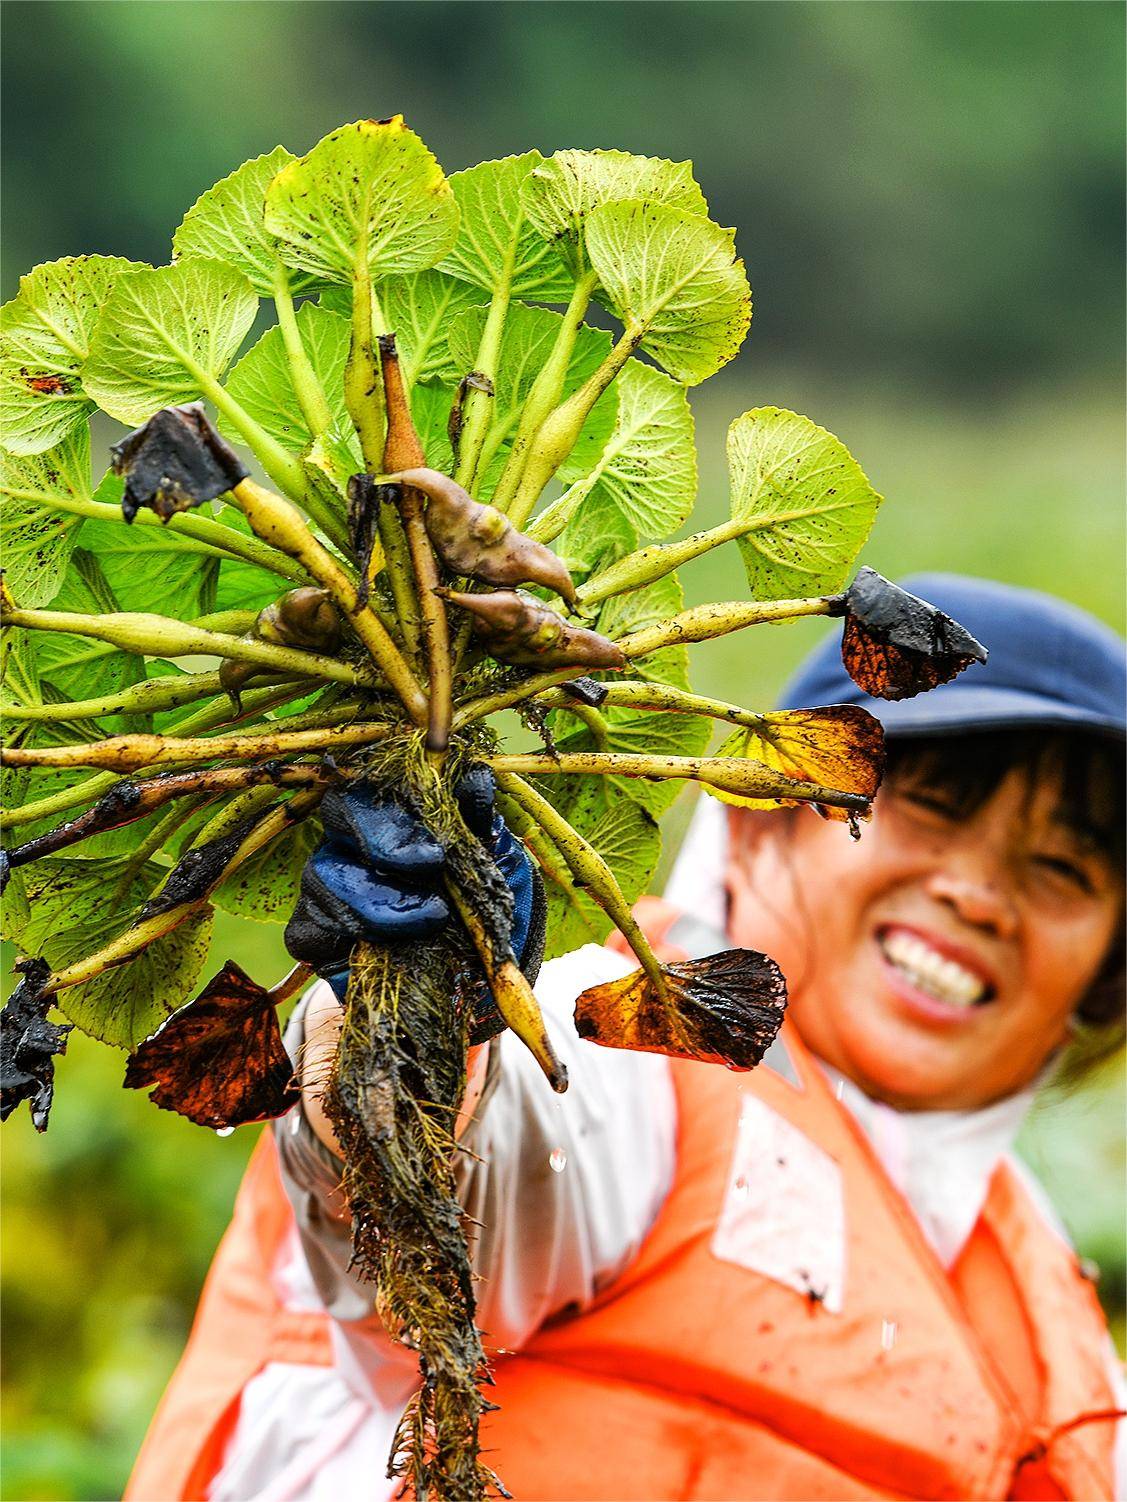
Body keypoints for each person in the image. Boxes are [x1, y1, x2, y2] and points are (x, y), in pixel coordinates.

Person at [126, 575, 1126, 1502]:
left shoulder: (1050, 1303)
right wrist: (425, 1017)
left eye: (1061, 868)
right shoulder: (611, 1035)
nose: (979, 895)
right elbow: (499, 1157)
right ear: (759, 815)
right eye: (932, 809)